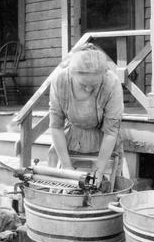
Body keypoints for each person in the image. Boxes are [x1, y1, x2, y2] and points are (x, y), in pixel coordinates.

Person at [48, 43, 125, 187]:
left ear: (103, 75)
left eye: (94, 85)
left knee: (106, 186)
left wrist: (99, 171)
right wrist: (67, 168)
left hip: (104, 138)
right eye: (83, 85)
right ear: (72, 74)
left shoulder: (112, 83)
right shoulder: (60, 80)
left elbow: (111, 132)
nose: (89, 88)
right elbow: (56, 126)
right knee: (61, 184)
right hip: (70, 136)